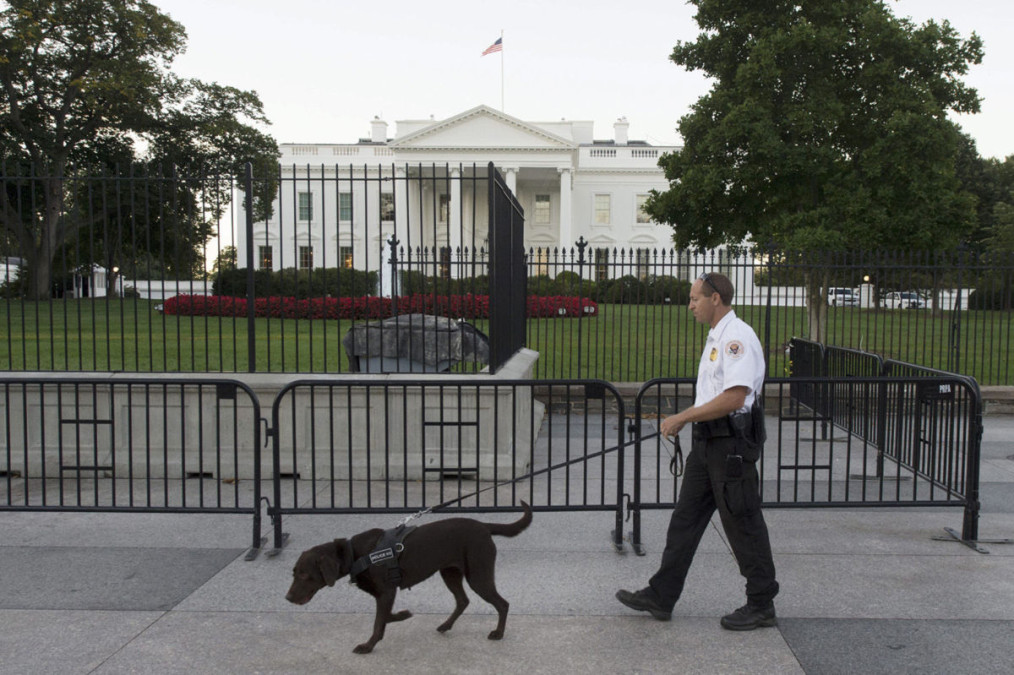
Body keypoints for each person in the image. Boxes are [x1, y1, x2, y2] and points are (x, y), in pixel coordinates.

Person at [616, 271, 779, 630]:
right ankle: (662, 595)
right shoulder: (717, 337)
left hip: (731, 446)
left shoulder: (736, 338)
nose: (690, 305)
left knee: (742, 523)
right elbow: (715, 394)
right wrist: (690, 421)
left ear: (714, 298)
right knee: (684, 521)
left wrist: (683, 417)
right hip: (708, 444)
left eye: (694, 298)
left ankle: (761, 602)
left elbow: (735, 397)